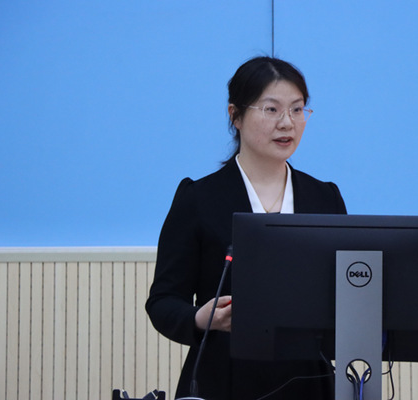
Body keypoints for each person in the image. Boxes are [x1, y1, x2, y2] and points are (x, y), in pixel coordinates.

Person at [145, 56, 347, 400]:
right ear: (235, 115)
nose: (287, 123)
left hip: (309, 382)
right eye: (272, 109)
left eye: (298, 109)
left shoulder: (324, 197)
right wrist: (200, 318)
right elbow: (163, 302)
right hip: (223, 378)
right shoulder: (198, 198)